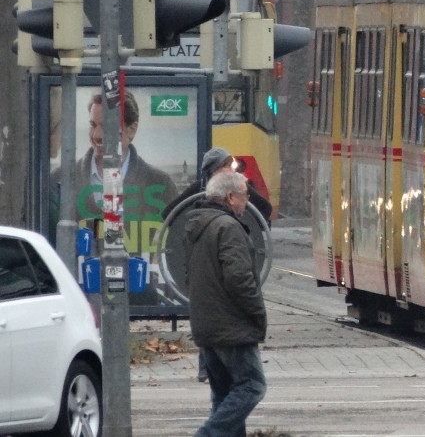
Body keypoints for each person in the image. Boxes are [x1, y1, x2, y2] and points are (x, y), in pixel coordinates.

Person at [185, 169, 268, 437]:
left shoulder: (199, 225)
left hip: (206, 324)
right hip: (231, 326)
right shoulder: (228, 227)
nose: (248, 201)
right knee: (252, 386)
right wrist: (257, 312)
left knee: (224, 394)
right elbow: (239, 278)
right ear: (230, 197)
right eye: (245, 195)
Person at [53, 92, 178, 221]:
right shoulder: (59, 178)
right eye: (93, 125)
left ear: (131, 130)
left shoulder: (161, 184)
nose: (97, 135)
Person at [163, 147, 273, 225]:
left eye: (231, 165)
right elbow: (169, 213)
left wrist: (249, 227)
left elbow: (265, 208)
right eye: (227, 165)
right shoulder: (199, 187)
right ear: (215, 169)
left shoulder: (240, 186)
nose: (231, 170)